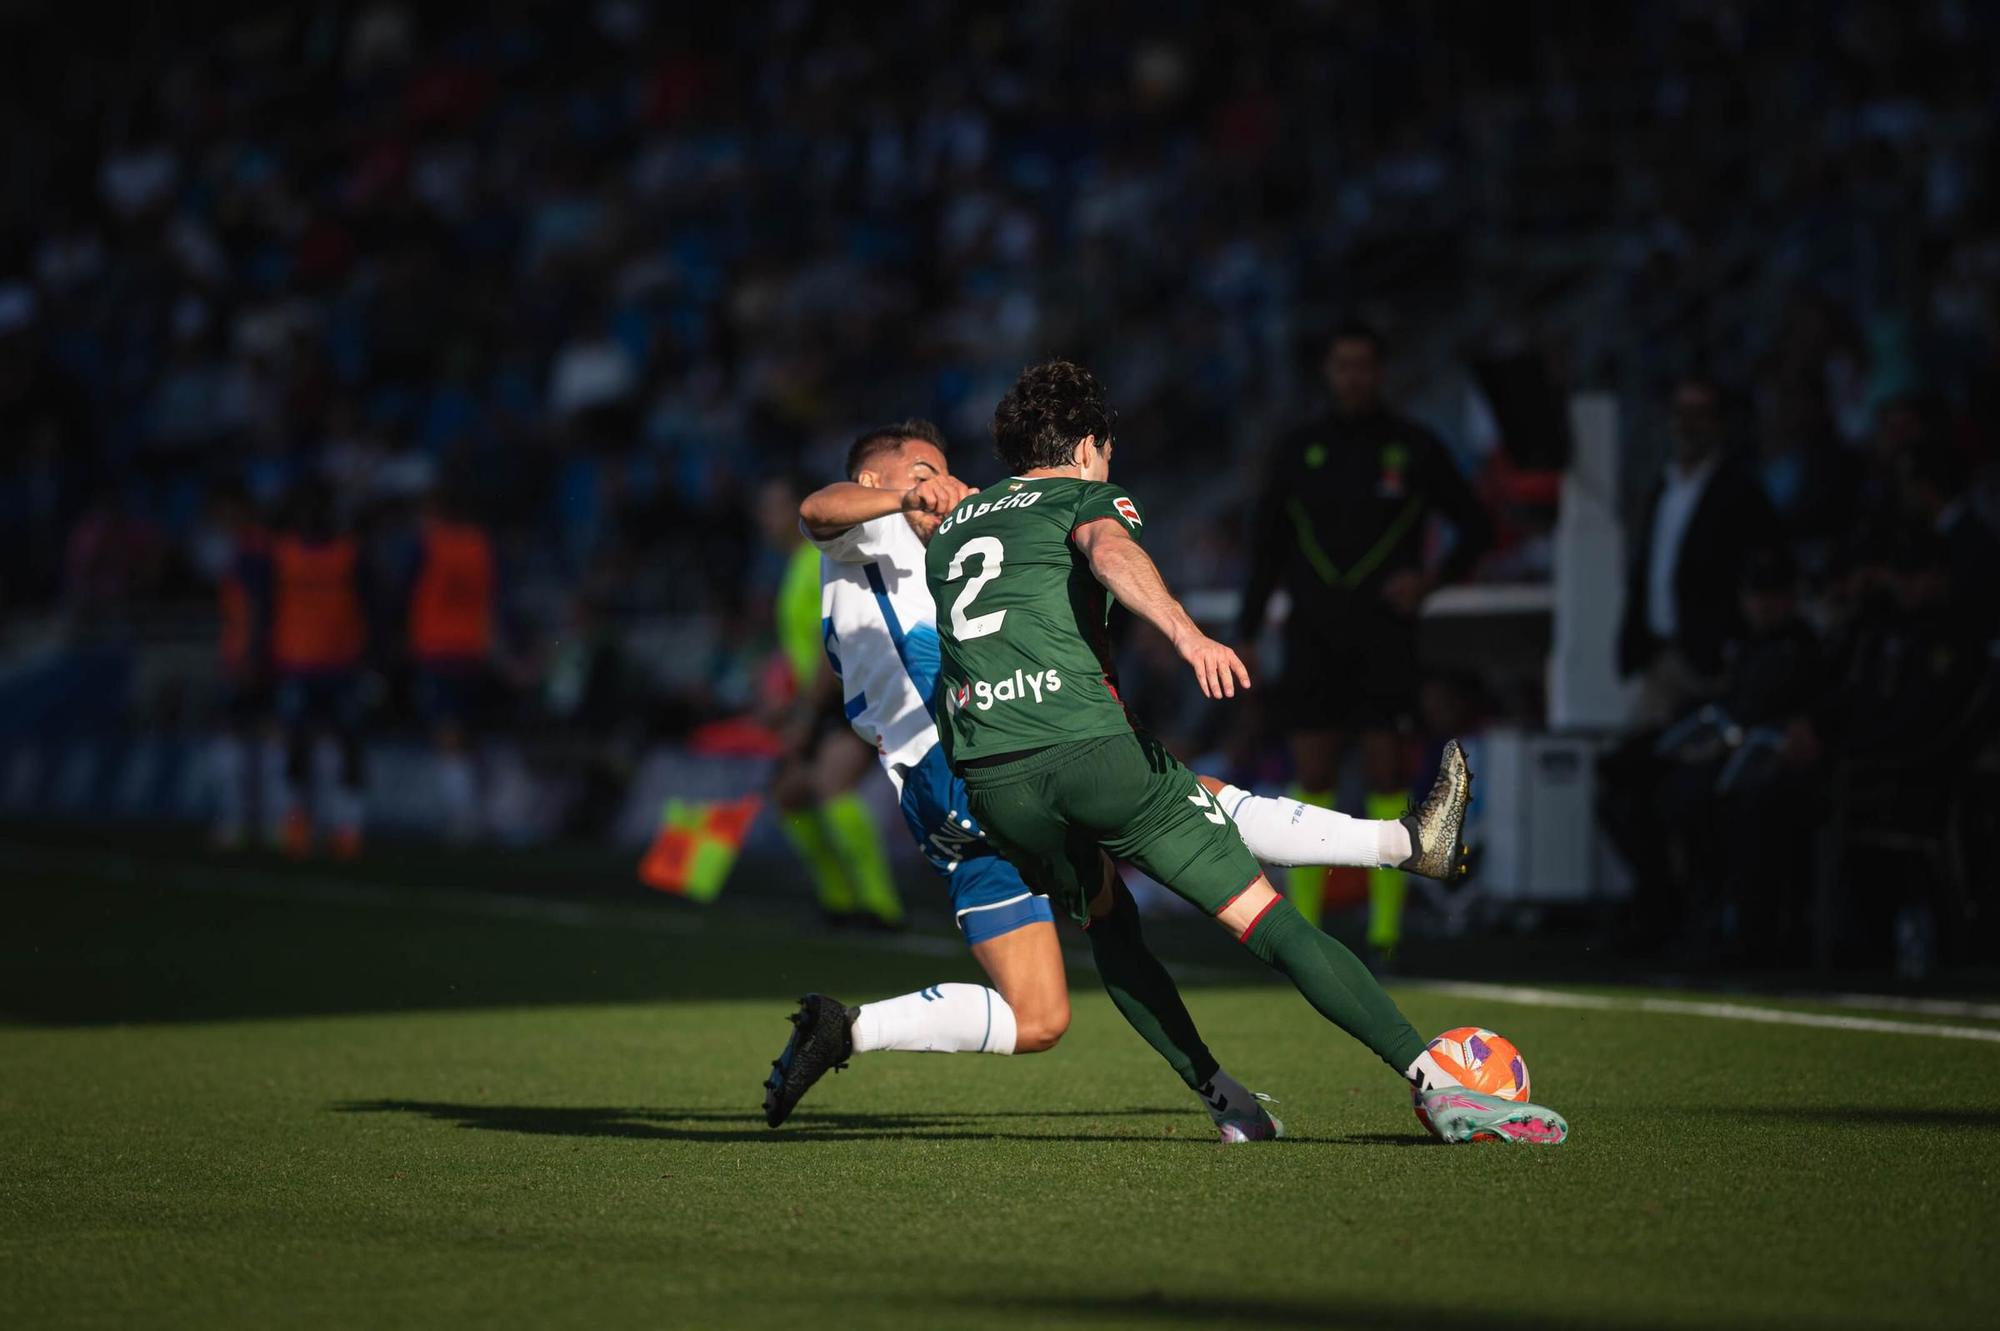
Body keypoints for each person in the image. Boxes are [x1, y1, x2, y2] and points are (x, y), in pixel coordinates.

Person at [772, 369, 1563, 1145]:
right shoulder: (1001, 507)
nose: (939, 485)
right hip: (1034, 757)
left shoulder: (955, 527)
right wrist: (1187, 635)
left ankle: (1225, 1098)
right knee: (1256, 905)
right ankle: (1429, 1026)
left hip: (991, 783)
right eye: (924, 472)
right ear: (1089, 446)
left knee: (1068, 976)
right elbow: (1106, 551)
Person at [1236, 322, 1494, 964]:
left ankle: (1385, 935)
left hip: (1385, 634)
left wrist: (1431, 581)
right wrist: (1245, 632)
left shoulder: (1414, 446)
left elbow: (1476, 525)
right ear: (1328, 372)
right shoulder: (1299, 449)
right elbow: (1265, 548)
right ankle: (1303, 934)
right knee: (1313, 774)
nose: (1353, 377)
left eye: (1364, 365)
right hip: (1312, 633)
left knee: (1385, 771)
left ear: (1381, 372)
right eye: (1342, 365)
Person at [758, 473, 906, 929]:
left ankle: (881, 908)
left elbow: (831, 640)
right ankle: (839, 901)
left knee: (830, 784)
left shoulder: (815, 563)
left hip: (847, 696)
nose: (765, 518)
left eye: (774, 507)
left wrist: (805, 711)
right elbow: (799, 648)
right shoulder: (795, 566)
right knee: (791, 794)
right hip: (823, 700)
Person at [1617, 377, 1780, 728]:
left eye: (1699, 413)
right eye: (1681, 413)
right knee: (1641, 747)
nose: (1688, 425)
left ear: (1718, 422)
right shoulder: (1664, 486)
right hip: (1661, 654)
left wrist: (1729, 644)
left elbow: (1759, 567)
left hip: (1712, 660)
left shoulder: (1739, 491)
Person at [269, 483, 371, 858]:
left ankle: (349, 827)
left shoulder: (350, 555)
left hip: (342, 663)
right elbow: (266, 607)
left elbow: (372, 605)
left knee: (348, 743)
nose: (313, 519)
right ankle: (297, 822)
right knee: (296, 744)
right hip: (296, 662)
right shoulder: (284, 554)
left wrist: (371, 655)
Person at [404, 487, 500, 842]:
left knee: (447, 733)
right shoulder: (481, 545)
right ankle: (476, 811)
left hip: (438, 649)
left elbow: (405, 591)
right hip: (473, 649)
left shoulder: (428, 546)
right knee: (468, 734)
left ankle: (464, 817)